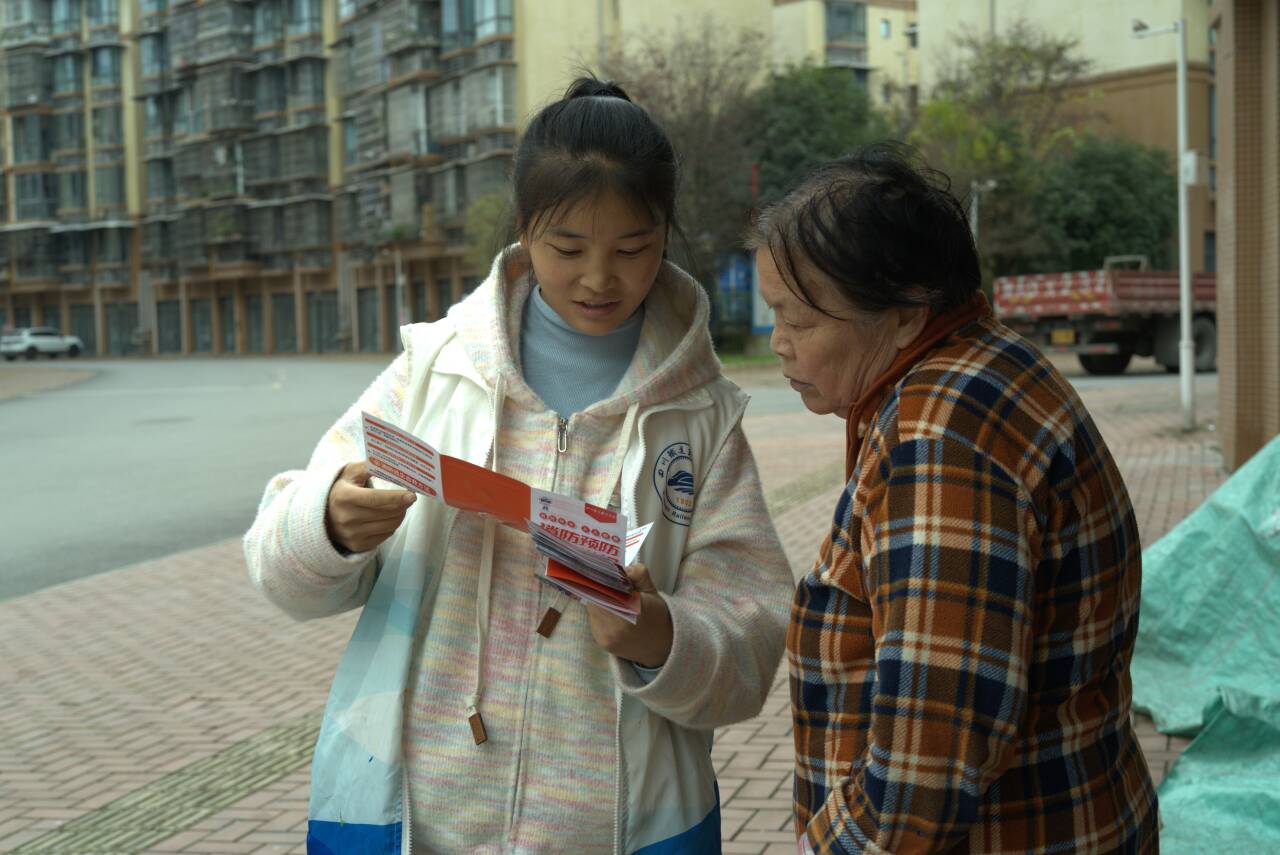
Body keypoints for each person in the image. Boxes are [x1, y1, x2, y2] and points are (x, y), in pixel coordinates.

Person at [244, 77, 792, 855]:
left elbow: (752, 637)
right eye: (568, 248)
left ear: (665, 234)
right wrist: (328, 521)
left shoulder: (701, 415)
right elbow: (277, 563)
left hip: (623, 830)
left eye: (631, 249)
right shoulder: (436, 371)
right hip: (414, 821)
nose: (599, 278)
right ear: (525, 227)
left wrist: (661, 635)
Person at [748, 143, 1159, 854]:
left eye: (800, 321)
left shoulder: (938, 444)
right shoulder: (987, 357)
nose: (779, 344)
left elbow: (918, 784)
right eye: (774, 317)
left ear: (906, 314)